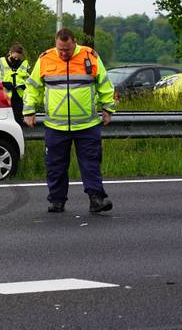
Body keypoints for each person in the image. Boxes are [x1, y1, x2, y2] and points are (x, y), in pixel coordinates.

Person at [22, 28, 116, 213]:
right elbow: (32, 88)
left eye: (68, 49)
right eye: (61, 49)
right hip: (56, 126)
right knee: (55, 165)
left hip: (87, 125)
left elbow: (104, 84)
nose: (64, 53)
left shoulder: (90, 56)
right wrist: (29, 111)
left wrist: (108, 108)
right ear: (56, 44)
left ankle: (96, 199)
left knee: (91, 163)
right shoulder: (45, 59)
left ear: (75, 42)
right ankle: (57, 201)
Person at [0, 43, 30, 125]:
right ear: (10, 53)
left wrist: (24, 85)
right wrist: (3, 84)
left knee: (18, 121)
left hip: (19, 97)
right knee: (4, 122)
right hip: (3, 97)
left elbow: (30, 79)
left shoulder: (24, 64)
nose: (16, 59)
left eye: (18, 58)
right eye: (14, 57)